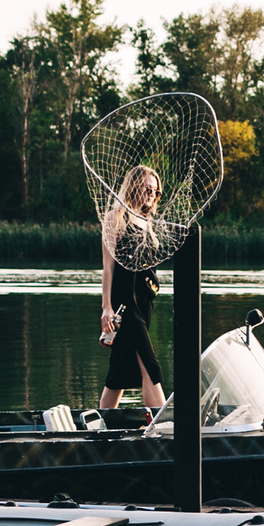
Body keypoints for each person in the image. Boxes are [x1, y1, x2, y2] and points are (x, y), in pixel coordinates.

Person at [98, 165, 167, 410]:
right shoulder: (115, 217)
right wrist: (107, 307)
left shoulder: (148, 221)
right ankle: (162, 428)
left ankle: (102, 425)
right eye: (147, 188)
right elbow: (108, 267)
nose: (151, 194)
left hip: (145, 304)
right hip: (125, 304)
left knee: (120, 371)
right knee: (150, 365)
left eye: (155, 192)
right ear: (133, 186)